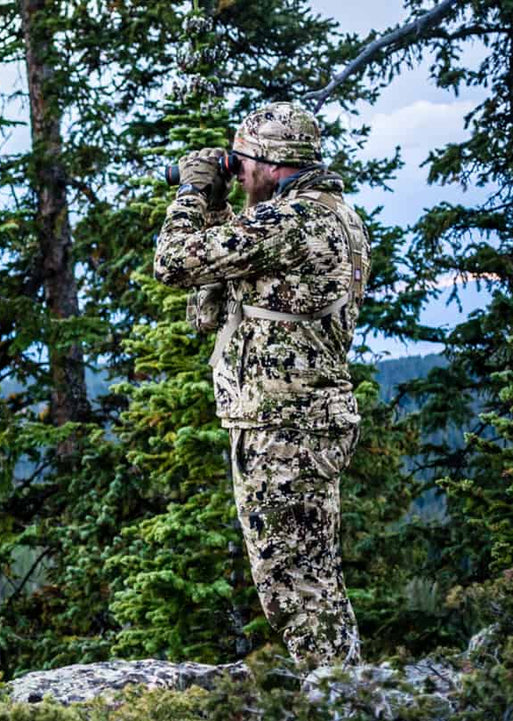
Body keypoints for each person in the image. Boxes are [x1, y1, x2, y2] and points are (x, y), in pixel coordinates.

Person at [154, 101, 370, 669]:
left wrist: (195, 192)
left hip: (282, 423)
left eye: (242, 160)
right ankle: (346, 692)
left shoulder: (292, 220)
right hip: (304, 416)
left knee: (293, 583)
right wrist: (226, 200)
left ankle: (338, 706)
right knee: (311, 572)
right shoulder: (328, 215)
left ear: (274, 163)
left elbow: (174, 261)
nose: (237, 168)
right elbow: (215, 295)